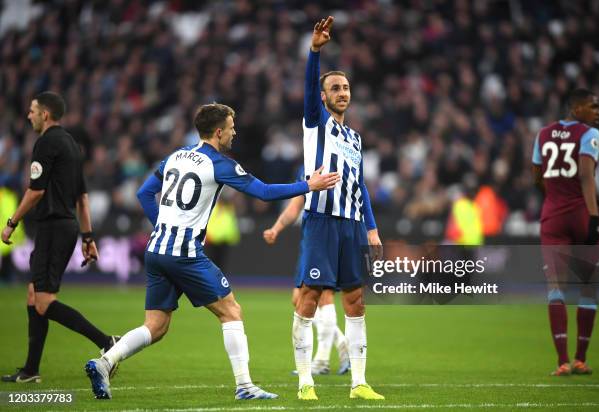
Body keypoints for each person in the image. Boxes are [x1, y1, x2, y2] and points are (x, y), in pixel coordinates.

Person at [84, 103, 340, 400]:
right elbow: (264, 192)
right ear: (218, 132)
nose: (235, 132)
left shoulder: (175, 156)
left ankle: (104, 362)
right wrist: (309, 185)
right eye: (231, 127)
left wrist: (164, 226)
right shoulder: (219, 164)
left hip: (156, 250)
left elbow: (144, 193)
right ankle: (245, 386)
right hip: (184, 253)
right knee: (231, 311)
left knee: (155, 326)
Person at [291, 16, 384, 401]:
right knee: (310, 296)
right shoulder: (316, 124)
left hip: (350, 225)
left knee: (356, 300)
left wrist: (372, 228)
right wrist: (315, 51)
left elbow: (359, 183)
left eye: (345, 87)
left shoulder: (355, 138)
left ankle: (359, 383)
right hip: (321, 221)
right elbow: (310, 93)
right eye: (334, 88)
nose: (342, 92)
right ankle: (305, 383)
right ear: (323, 95)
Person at [1, 91, 119, 384]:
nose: (29, 115)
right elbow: (82, 197)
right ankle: (30, 370)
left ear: (46, 114)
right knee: (33, 296)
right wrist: (88, 236)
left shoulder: (46, 143)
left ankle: (107, 342)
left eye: (32, 111)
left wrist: (11, 222)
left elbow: (36, 190)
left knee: (42, 301)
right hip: (63, 227)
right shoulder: (71, 145)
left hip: (53, 227)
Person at [532, 88, 599, 376]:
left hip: (553, 215)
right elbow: (586, 176)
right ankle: (580, 359)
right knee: (588, 285)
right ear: (576, 108)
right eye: (592, 105)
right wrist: (594, 217)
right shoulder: (589, 135)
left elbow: (537, 177)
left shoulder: (543, 134)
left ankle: (561, 361)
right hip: (581, 213)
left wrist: (554, 198)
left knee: (555, 287)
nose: (597, 110)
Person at [263, 166, 350, 376]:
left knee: (324, 295)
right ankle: (342, 343)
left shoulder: (338, 163)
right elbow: (295, 207)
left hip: (330, 234)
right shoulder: (308, 167)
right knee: (300, 298)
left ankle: (321, 360)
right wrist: (276, 228)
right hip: (312, 238)